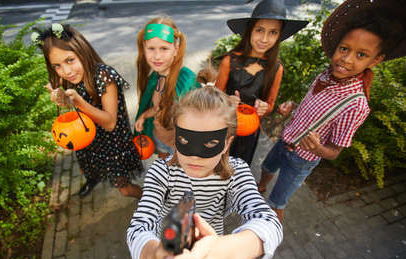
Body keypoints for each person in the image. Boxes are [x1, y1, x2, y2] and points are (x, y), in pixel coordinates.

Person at [258, 0, 406, 222]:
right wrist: (292, 107)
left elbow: (335, 151)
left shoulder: (356, 105)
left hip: (302, 159)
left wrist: (318, 148)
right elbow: (311, 107)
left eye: (361, 55)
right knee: (267, 166)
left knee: (278, 201)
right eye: (344, 49)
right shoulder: (325, 75)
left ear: (376, 60)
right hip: (285, 139)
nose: (346, 59)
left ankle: (268, 230)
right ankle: (260, 187)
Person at [127, 87, 283, 259]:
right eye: (185, 140)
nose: (196, 156)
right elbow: (138, 228)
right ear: (176, 136)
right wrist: (157, 255)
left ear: (227, 143)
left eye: (210, 142)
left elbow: (269, 222)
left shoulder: (236, 174)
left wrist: (228, 251)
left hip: (211, 243)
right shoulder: (161, 172)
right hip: (165, 241)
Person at [32, 23, 143, 198]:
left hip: (112, 145)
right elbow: (63, 93)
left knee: (125, 189)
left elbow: (110, 123)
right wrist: (59, 95)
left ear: (82, 51)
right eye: (57, 66)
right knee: (88, 169)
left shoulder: (103, 76)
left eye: (70, 60)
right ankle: (92, 179)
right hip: (86, 138)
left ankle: (154, 201)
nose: (66, 71)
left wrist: (78, 101)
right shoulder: (69, 77)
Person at [215, 0, 308, 166]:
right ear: (250, 30)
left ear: (279, 35)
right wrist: (226, 101)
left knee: (237, 170)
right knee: (216, 164)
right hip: (223, 126)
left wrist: (264, 109)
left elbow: (270, 104)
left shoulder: (276, 68)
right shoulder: (229, 61)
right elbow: (214, 96)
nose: (264, 39)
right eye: (260, 30)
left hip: (249, 131)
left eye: (273, 32)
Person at [134, 17, 200, 159]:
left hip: (181, 146)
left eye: (164, 48)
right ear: (143, 49)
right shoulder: (155, 78)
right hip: (161, 138)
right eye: (151, 49)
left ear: (176, 49)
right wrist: (144, 115)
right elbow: (160, 107)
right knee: (165, 170)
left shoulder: (186, 80)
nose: (157, 56)